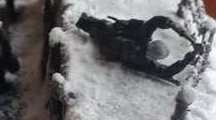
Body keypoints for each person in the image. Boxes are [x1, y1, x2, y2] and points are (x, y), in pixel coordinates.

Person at [76, 12, 204, 83]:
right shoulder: (146, 63)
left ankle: (82, 20)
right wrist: (188, 58)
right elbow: (167, 72)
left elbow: (155, 21)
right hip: (107, 45)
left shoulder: (142, 41)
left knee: (97, 24)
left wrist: (179, 31)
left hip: (108, 37)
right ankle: (83, 21)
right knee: (99, 26)